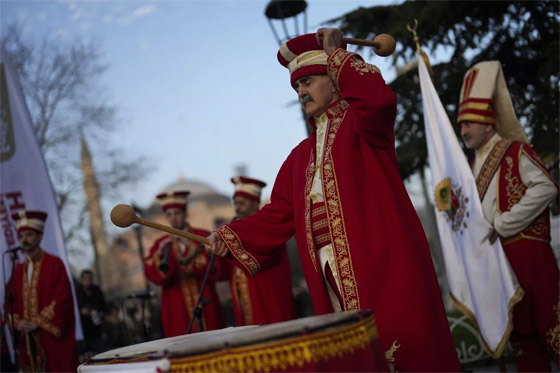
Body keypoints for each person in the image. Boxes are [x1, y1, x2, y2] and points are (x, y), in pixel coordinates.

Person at [207, 28, 459, 371]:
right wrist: (229, 236)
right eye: (297, 86)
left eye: (309, 81)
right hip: (327, 272)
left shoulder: (363, 124)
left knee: (402, 348)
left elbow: (377, 99)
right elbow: (277, 214)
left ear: (334, 79)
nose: (301, 92)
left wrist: (341, 56)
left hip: (380, 260)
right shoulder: (299, 156)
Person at [458, 60, 559, 371]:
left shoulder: (515, 151)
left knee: (553, 330)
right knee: (524, 343)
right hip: (500, 263)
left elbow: (546, 187)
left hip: (528, 253)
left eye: (469, 123)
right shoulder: (470, 168)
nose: (463, 130)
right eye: (461, 125)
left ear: (489, 124)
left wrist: (504, 222)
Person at [143, 190, 227, 337]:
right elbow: (151, 274)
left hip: (206, 301)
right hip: (176, 307)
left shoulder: (203, 236)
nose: (173, 218)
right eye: (169, 214)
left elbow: (219, 267)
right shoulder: (160, 244)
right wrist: (160, 255)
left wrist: (194, 247)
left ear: (185, 213)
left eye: (177, 213)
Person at [4, 210, 78, 372]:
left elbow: (62, 299)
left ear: (40, 236)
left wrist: (36, 322)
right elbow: (8, 303)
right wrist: (17, 322)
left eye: (29, 235)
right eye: (21, 236)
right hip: (26, 342)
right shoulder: (16, 271)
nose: (24, 240)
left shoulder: (54, 264)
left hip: (50, 340)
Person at [229, 176, 296, 325]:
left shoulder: (266, 228)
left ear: (255, 203)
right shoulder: (237, 230)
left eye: (242, 203)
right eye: (235, 203)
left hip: (267, 300)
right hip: (246, 305)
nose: (237, 208)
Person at [75, 269, 108, 356]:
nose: (87, 280)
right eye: (85, 278)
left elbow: (103, 307)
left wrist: (96, 312)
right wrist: (81, 311)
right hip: (83, 331)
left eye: (89, 278)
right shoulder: (77, 292)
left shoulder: (96, 291)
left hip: (96, 330)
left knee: (101, 354)